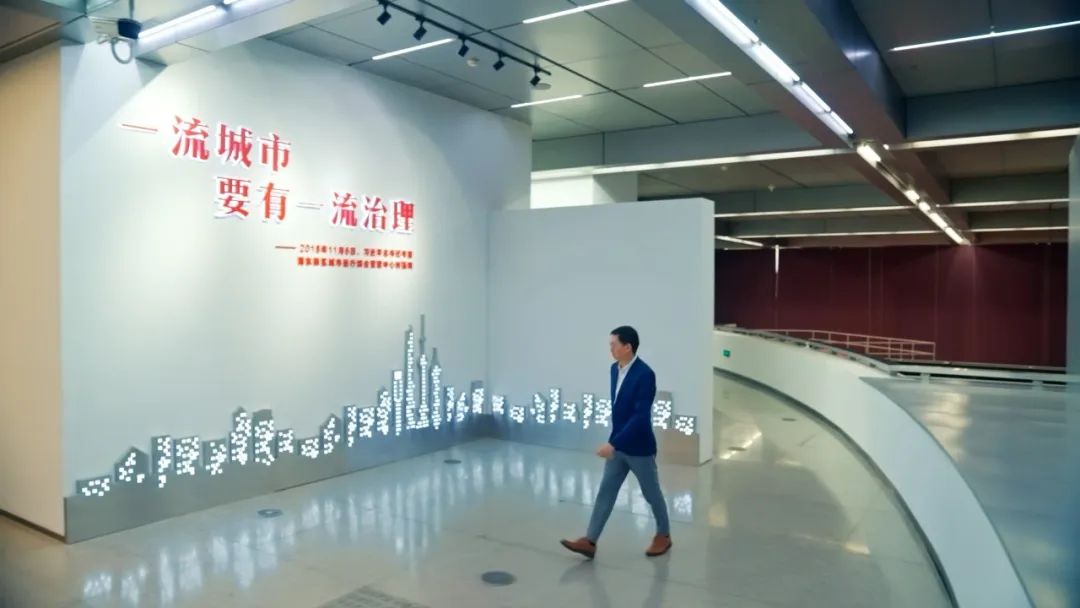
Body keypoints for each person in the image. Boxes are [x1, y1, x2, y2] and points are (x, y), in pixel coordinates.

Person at [560, 326, 671, 559]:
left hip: (639, 448)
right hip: (618, 446)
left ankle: (664, 535)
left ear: (627, 347)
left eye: (614, 344)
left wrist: (613, 443)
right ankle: (590, 541)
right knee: (606, 492)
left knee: (651, 494)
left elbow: (640, 417)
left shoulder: (645, 375)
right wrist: (615, 441)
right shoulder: (614, 369)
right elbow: (619, 410)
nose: (610, 348)